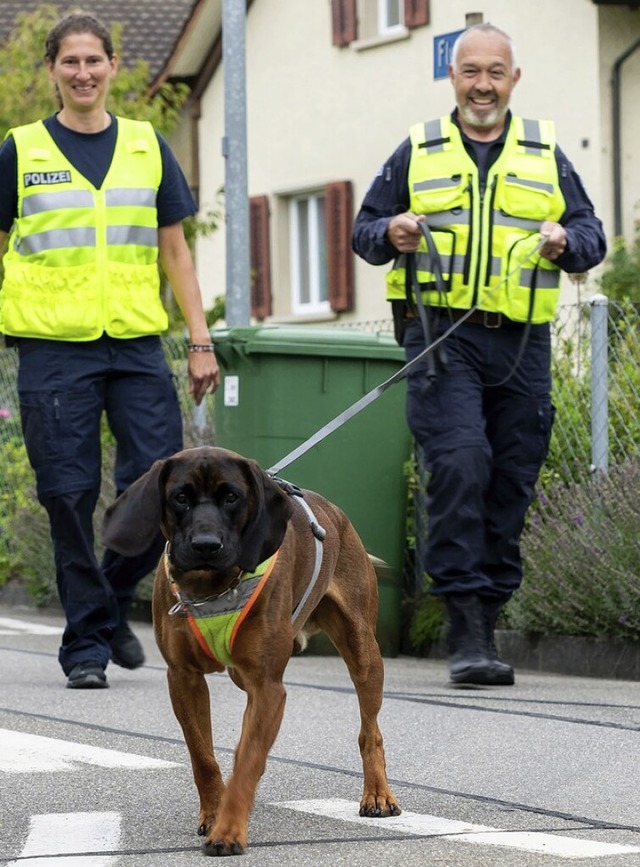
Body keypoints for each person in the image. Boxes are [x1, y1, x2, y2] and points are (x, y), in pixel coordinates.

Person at [352, 23, 606, 686]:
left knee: (512, 477)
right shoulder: (420, 150)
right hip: (442, 337)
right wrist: (393, 229)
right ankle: (465, 628)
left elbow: (592, 236)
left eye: (496, 72)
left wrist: (563, 239)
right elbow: (364, 231)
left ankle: (487, 610)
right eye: (471, 72)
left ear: (513, 79)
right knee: (461, 461)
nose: (483, 84)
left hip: (523, 341)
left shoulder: (546, 151)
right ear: (454, 78)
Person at [0, 12, 219, 689]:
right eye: (70, 62)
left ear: (113, 67)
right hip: (51, 347)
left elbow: (175, 250)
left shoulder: (148, 146)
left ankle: (100, 602)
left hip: (134, 343)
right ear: (52, 72)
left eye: (95, 60)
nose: (84, 73)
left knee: (157, 487)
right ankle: (86, 647)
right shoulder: (21, 149)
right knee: (67, 493)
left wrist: (200, 339)